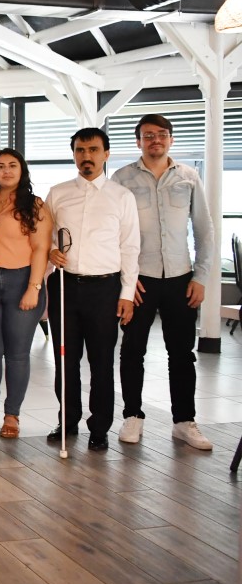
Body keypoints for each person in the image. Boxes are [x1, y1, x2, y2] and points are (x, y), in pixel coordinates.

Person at [112, 114, 214, 450]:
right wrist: (126, 280)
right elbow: (114, 233)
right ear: (138, 141)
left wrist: (201, 277)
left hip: (181, 279)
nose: (155, 140)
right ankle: (132, 416)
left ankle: (184, 421)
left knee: (182, 353)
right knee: (132, 350)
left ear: (170, 139)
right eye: (148, 135)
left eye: (161, 134)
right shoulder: (122, 178)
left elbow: (204, 230)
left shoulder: (188, 177)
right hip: (140, 279)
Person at [45, 128, 139, 451]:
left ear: (106, 154)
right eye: (80, 150)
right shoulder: (57, 194)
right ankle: (67, 421)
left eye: (93, 150)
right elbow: (45, 236)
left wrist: (127, 294)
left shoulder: (122, 197)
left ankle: (99, 428)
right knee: (65, 360)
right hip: (65, 286)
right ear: (74, 154)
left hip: (105, 289)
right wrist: (50, 251)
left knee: (101, 362)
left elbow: (130, 248)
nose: (86, 156)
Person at [0, 149, 51, 440]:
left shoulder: (35, 205)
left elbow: (41, 248)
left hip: (22, 281)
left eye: (12, 165)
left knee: (17, 354)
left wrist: (34, 287)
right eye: (0, 166)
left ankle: (12, 414)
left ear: (22, 170)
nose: (6, 171)